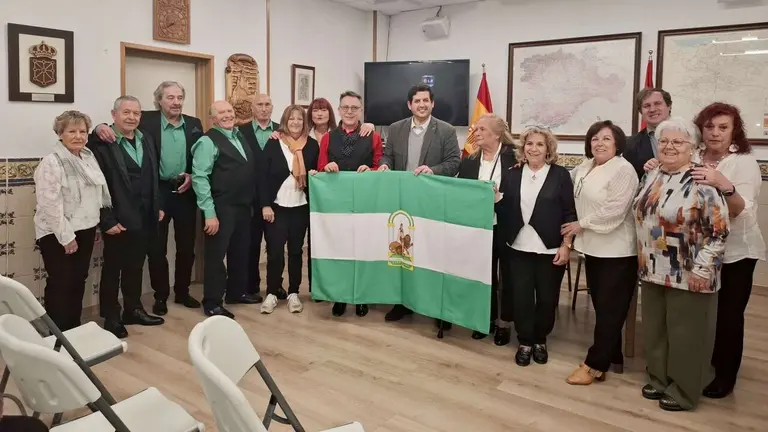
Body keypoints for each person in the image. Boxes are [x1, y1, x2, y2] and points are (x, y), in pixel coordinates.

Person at [634, 117, 729, 412]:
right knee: (655, 329)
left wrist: (703, 269)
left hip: (691, 272)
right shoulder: (651, 175)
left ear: (693, 148)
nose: (669, 147)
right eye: (664, 141)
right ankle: (659, 378)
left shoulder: (703, 180)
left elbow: (719, 231)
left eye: (678, 142)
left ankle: (685, 389)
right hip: (652, 267)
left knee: (687, 335)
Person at [94, 81, 204, 315]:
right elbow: (107, 130)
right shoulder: (147, 122)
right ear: (159, 101)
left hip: (184, 192)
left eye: (179, 97)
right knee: (156, 249)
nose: (175, 102)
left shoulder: (194, 124)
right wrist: (98, 127)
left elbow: (200, 155)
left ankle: (182, 292)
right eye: (170, 97)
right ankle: (160, 296)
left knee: (186, 247)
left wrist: (193, 175)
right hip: (156, 194)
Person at [691, 103, 765, 399]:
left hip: (736, 252)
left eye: (723, 127)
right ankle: (708, 360)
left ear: (735, 131)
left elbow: (740, 212)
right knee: (705, 312)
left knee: (729, 315)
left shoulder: (743, 162)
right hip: (701, 250)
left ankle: (726, 376)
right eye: (709, 126)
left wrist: (723, 185)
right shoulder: (695, 156)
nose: (715, 133)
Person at [562, 120, 639, 385]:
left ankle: (594, 364)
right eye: (595, 138)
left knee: (610, 311)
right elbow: (563, 183)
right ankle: (611, 356)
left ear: (617, 143)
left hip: (616, 251)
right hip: (593, 249)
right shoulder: (586, 167)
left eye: (606, 139)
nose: (600, 143)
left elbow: (615, 210)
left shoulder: (623, 170)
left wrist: (578, 225)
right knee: (604, 307)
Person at [377, 83, 461, 323]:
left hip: (431, 202)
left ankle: (435, 305)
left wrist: (432, 170)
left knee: (431, 253)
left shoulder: (445, 130)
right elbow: (387, 155)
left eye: (426, 101)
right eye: (417, 101)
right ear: (409, 105)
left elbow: (454, 162)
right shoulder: (395, 129)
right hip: (401, 202)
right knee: (403, 252)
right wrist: (384, 164)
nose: (422, 105)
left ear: (432, 104)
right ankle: (403, 301)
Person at [496, 126, 575, 366]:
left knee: (547, 298)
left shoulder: (560, 175)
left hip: (550, 248)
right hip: (518, 246)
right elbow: (504, 209)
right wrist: (494, 200)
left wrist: (567, 245)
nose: (534, 148)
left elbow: (569, 212)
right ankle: (525, 341)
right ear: (523, 148)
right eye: (529, 144)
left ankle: (540, 339)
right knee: (521, 297)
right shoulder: (512, 174)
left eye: (540, 144)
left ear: (548, 149)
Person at [87, 96, 165, 338]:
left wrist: (157, 205)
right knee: (113, 269)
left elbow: (152, 175)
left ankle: (133, 309)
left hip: (145, 216)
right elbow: (96, 186)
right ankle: (111, 316)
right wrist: (107, 220)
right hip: (118, 217)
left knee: (135, 266)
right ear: (114, 115)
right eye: (126, 113)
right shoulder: (101, 142)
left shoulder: (146, 138)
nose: (132, 117)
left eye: (136, 113)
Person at [34, 110, 111, 332]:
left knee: (79, 279)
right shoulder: (52, 161)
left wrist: (93, 227)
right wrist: (66, 237)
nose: (78, 136)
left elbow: (93, 196)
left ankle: (73, 328)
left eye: (82, 131)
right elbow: (50, 204)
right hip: (56, 232)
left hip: (85, 228)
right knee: (61, 281)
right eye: (72, 131)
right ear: (60, 134)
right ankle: (57, 331)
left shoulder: (87, 156)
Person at [316, 91, 384, 317]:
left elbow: (380, 166)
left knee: (363, 250)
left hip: (365, 204)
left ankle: (362, 296)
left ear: (361, 110)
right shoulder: (328, 137)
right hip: (336, 205)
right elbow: (321, 167)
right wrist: (327, 168)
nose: (349, 111)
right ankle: (340, 296)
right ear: (339, 110)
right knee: (339, 250)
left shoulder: (372, 136)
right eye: (345, 107)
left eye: (354, 108)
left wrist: (371, 170)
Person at [192, 101, 262, 318]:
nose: (227, 115)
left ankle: (236, 292)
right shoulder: (207, 141)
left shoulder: (238, 135)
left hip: (242, 206)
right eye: (221, 112)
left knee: (240, 252)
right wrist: (209, 213)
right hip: (220, 207)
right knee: (216, 256)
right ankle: (212, 302)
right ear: (213, 118)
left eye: (229, 111)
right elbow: (200, 177)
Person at [455, 114, 516, 343]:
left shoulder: (514, 158)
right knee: (484, 275)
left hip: (507, 225)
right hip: (479, 227)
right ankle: (485, 319)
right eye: (475, 129)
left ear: (497, 134)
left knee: (507, 276)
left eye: (481, 129)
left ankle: (504, 323)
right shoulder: (470, 160)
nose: (476, 133)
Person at [259, 105, 320, 314]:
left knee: (295, 252)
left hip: (301, 207)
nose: (295, 122)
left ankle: (294, 292)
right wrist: (265, 204)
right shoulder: (274, 142)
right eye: (291, 119)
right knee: (275, 252)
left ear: (304, 123)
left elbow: (318, 174)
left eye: (299, 119)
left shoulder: (312, 146)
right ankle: (272, 293)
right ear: (285, 121)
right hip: (276, 208)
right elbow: (262, 177)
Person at [239, 93, 279, 301]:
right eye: (259, 105)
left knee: (275, 244)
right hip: (249, 198)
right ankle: (251, 286)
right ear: (252, 108)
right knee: (251, 243)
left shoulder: (282, 131)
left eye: (267, 104)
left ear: (272, 107)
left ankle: (276, 285)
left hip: (277, 197)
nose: (264, 109)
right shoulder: (240, 132)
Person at [623, 88, 672, 179]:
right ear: (641, 112)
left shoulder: (690, 134)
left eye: (657, 103)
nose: (652, 109)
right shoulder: (630, 145)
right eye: (646, 106)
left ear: (669, 106)